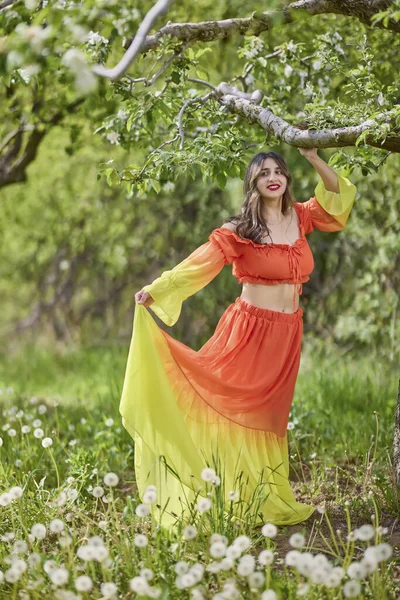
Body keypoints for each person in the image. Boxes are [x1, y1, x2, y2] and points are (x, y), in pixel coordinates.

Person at [119, 148, 357, 530]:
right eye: (264, 173)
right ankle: (217, 490)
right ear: (253, 183)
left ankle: (262, 493)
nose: (273, 177)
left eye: (278, 171)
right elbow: (201, 262)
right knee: (230, 404)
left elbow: (338, 199)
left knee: (269, 418)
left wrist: (313, 156)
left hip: (288, 332)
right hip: (248, 331)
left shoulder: (301, 216)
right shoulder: (241, 229)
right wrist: (159, 289)